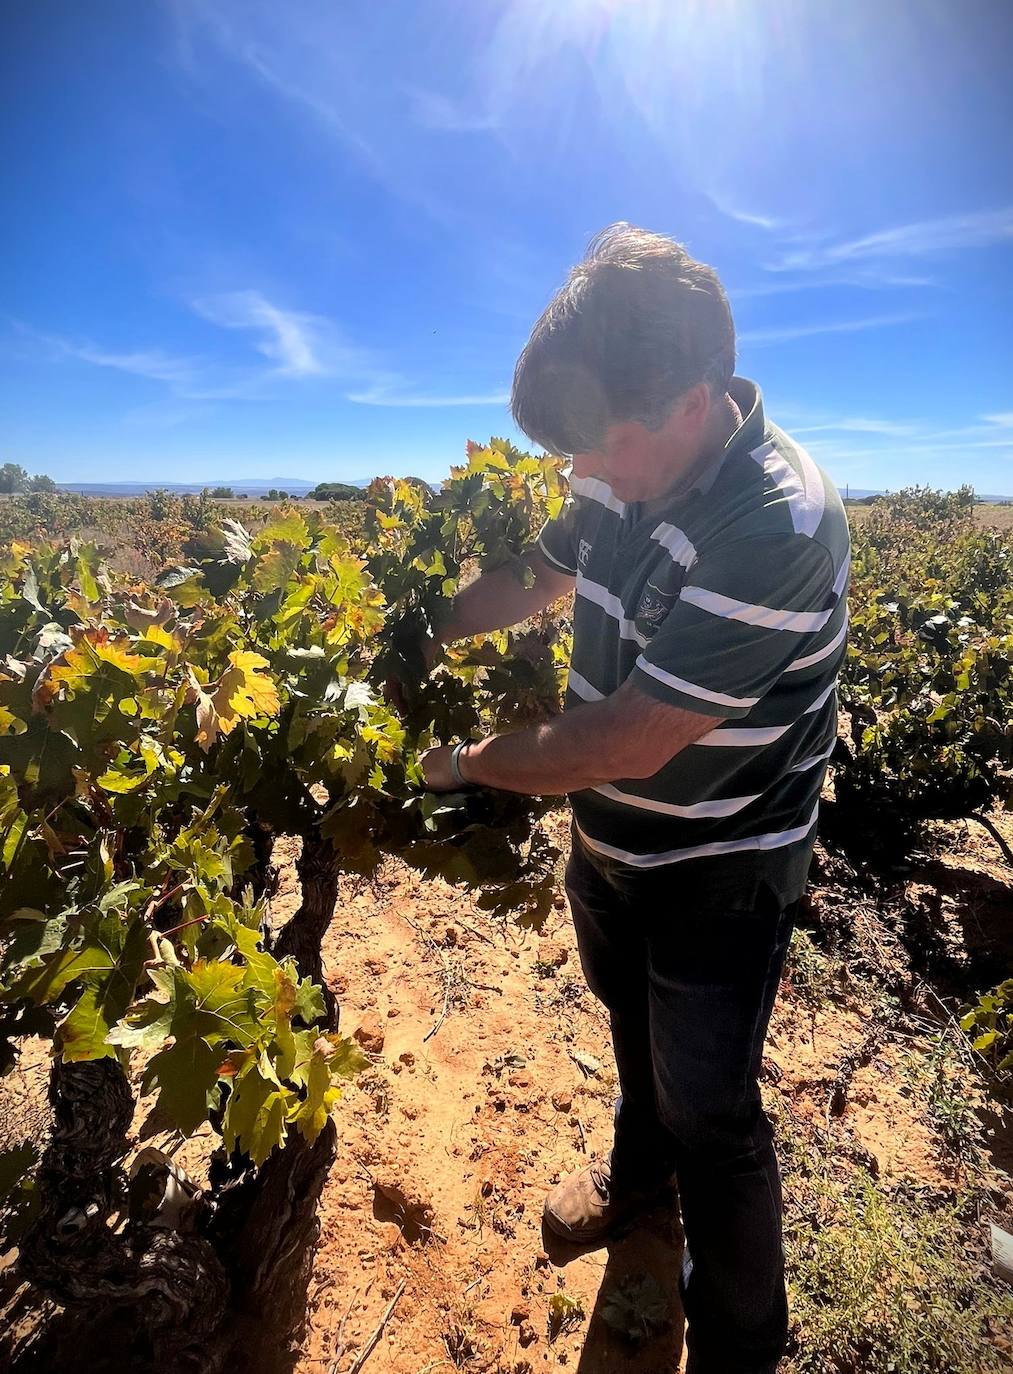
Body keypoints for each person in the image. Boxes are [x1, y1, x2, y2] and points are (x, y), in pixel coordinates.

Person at [414, 223, 850, 1374]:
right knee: (629, 1033)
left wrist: (459, 765)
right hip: (609, 846)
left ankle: (742, 1343)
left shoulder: (775, 522)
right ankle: (636, 1182)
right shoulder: (614, 471)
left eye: (599, 450)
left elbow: (628, 740)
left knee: (712, 1109)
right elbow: (531, 576)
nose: (584, 479)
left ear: (692, 400)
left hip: (720, 862)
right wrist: (417, 631)